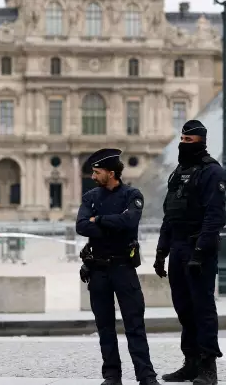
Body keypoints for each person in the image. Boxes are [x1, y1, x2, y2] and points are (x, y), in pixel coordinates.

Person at [76, 148, 160, 385]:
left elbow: (130, 220)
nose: (92, 176)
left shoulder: (132, 194)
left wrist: (100, 220)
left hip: (123, 268)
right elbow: (82, 226)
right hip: (98, 269)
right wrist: (115, 224)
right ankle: (112, 376)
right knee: (105, 327)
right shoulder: (90, 197)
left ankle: (146, 375)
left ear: (111, 173)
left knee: (135, 325)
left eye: (97, 172)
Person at [153, 120, 226, 385]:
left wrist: (199, 252)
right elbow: (169, 214)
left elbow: (214, 216)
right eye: (182, 140)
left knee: (203, 308)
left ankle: (208, 367)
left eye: (189, 141)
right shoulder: (178, 172)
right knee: (184, 308)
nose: (183, 145)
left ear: (201, 142)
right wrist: (161, 251)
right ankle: (191, 362)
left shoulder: (212, 172)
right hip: (178, 246)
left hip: (199, 248)